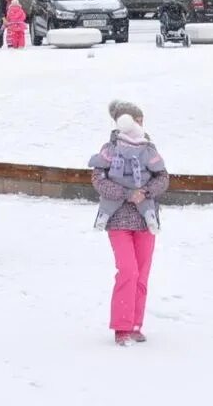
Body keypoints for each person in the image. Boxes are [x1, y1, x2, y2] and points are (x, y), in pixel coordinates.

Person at [90, 100, 169, 346]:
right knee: (128, 270)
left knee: (142, 273)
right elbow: (98, 179)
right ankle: (121, 327)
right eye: (137, 119)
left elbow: (163, 178)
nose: (141, 123)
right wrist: (126, 194)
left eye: (142, 119)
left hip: (146, 220)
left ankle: (136, 324)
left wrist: (144, 192)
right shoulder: (110, 149)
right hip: (118, 219)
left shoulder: (149, 149)